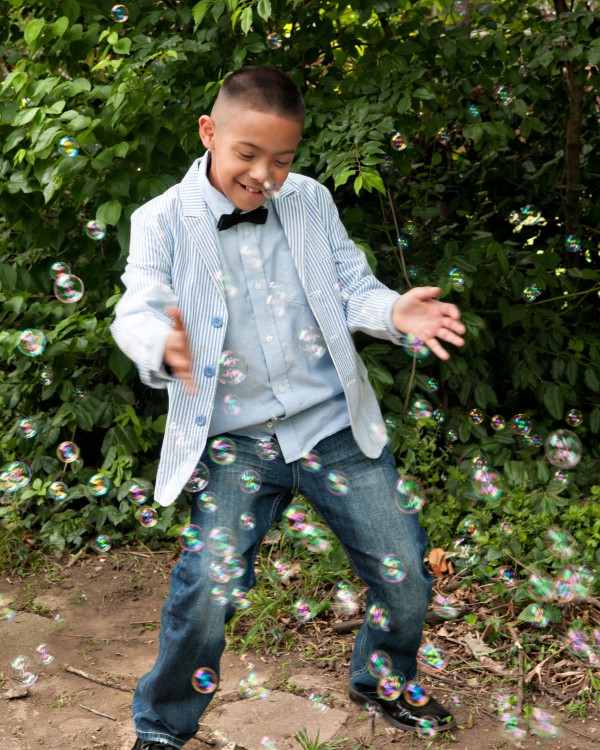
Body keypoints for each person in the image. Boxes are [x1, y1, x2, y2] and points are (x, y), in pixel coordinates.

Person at [111, 65, 466, 750]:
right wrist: (162, 346)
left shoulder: (309, 201)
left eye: (282, 158)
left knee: (408, 578)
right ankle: (161, 728)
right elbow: (137, 306)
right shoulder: (160, 220)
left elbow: (352, 286)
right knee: (204, 596)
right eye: (248, 153)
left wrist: (391, 311)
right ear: (210, 133)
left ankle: (381, 678)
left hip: (331, 426)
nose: (264, 174)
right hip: (236, 441)